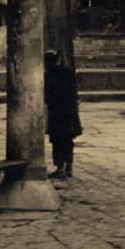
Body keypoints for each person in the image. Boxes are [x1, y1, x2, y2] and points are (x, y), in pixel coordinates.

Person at [44, 50, 82, 179]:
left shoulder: (48, 76)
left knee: (57, 141)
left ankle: (60, 167)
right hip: (69, 112)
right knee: (68, 140)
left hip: (57, 112)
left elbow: (47, 96)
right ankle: (69, 167)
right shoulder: (68, 73)